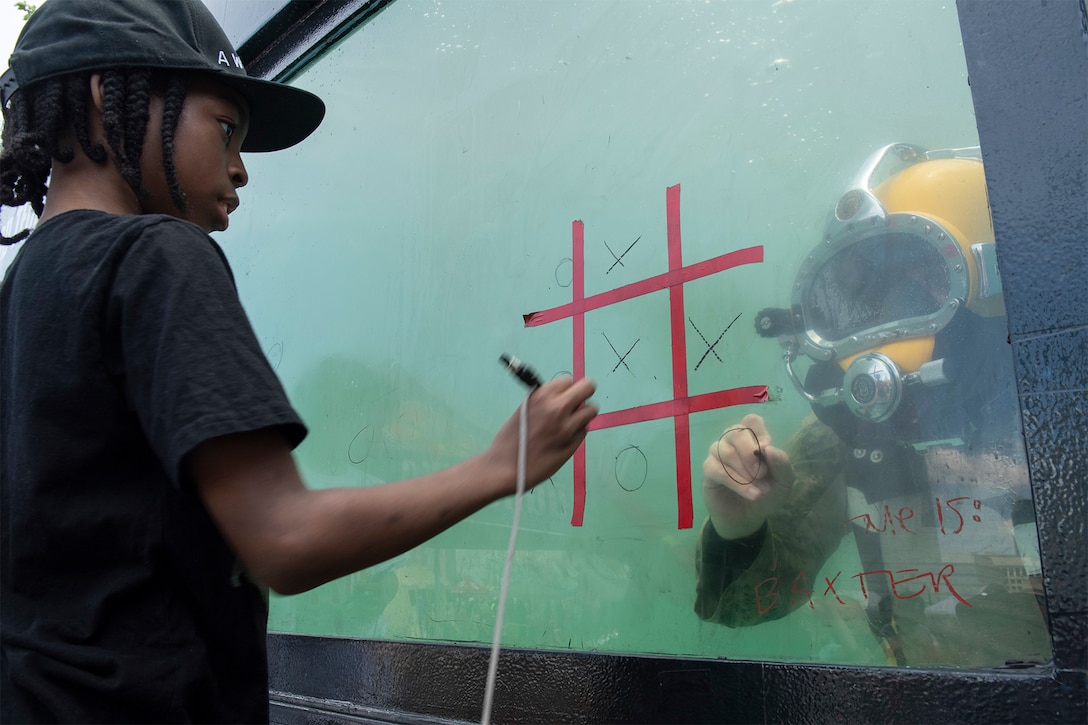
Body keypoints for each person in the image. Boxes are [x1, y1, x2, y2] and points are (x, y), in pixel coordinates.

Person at [0, 0, 598, 721]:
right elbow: (283, 537)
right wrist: (502, 465)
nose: (241, 169)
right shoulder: (156, 258)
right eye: (226, 129)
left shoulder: (22, 289)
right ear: (105, 95)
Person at [695, 143, 1051, 668]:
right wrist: (738, 531)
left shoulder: (1061, 407)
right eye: (871, 291)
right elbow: (735, 608)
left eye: (926, 279)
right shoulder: (845, 434)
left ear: (998, 277)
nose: (890, 320)